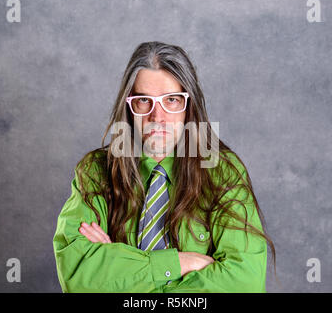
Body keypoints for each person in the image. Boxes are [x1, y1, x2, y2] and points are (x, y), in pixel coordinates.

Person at [52, 41, 276, 293]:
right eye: (143, 101)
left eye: (171, 100)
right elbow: (78, 276)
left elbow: (244, 283)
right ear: (128, 106)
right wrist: (179, 264)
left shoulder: (223, 172)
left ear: (189, 106)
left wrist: (120, 272)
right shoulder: (94, 172)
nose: (157, 117)